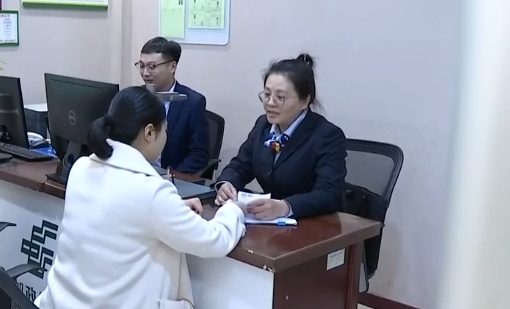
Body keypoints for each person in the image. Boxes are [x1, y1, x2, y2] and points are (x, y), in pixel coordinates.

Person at [36, 86, 245, 309]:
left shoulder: (81, 167)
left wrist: (173, 207)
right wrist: (233, 209)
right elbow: (213, 241)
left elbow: (121, 209)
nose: (166, 136)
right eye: (165, 129)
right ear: (149, 133)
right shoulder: (151, 192)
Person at [214, 54, 347, 220]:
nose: (270, 103)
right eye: (267, 94)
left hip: (310, 223)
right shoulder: (263, 125)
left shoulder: (326, 136)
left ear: (305, 101)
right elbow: (240, 165)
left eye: (280, 97)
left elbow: (330, 194)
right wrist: (227, 184)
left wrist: (286, 207)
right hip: (268, 222)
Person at [137, 37, 209, 174]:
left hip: (170, 176)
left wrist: (171, 177)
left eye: (152, 67)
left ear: (172, 67)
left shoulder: (192, 102)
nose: (145, 73)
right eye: (141, 66)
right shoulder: (136, 96)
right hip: (138, 173)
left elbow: (199, 155)